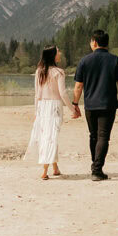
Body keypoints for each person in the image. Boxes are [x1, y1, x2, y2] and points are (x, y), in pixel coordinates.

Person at [72, 29, 118, 181]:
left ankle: (95, 166)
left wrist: (75, 104)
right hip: (108, 105)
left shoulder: (84, 61)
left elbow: (78, 87)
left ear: (94, 42)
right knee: (103, 137)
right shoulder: (116, 60)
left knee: (94, 136)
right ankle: (97, 169)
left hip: (90, 105)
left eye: (91, 41)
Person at [25, 46, 78, 180]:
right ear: (53, 55)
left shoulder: (39, 71)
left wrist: (36, 111)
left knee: (48, 136)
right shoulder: (59, 72)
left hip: (42, 106)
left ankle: (55, 168)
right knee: (51, 137)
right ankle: (44, 170)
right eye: (58, 51)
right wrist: (73, 109)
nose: (60, 53)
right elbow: (63, 93)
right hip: (54, 106)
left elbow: (37, 94)